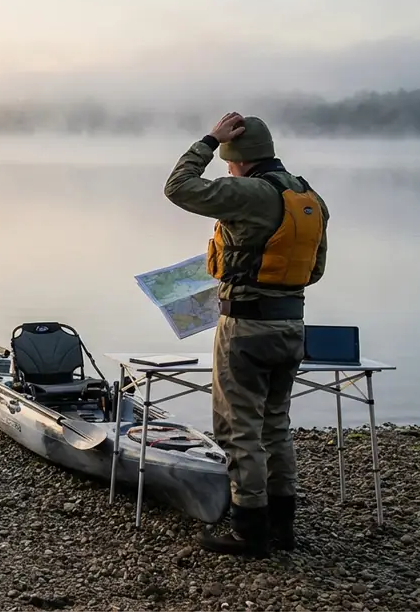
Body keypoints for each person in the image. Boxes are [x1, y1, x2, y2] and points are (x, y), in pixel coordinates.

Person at [163, 112, 330, 558]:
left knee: (240, 430)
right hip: (291, 325)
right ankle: (282, 526)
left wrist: (208, 141)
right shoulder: (308, 196)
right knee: (275, 425)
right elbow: (314, 270)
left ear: (237, 158)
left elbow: (178, 187)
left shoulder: (249, 192)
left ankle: (249, 529)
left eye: (228, 160)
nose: (227, 168)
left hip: (246, 327)